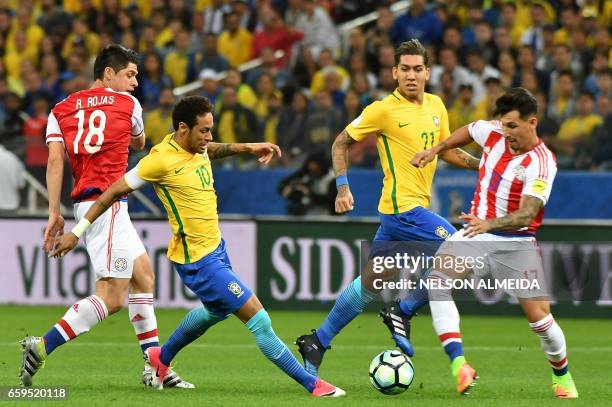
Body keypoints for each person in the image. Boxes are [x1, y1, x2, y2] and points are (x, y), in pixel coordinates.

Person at [51, 96, 345, 398]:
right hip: (199, 260)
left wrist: (249, 146)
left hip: (216, 248)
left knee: (214, 311)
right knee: (260, 320)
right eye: (203, 131)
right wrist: (78, 231)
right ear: (182, 128)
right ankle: (312, 384)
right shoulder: (158, 160)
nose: (209, 138)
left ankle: (159, 360)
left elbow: (212, 150)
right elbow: (111, 192)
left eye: (210, 130)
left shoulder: (198, 147)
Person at [295, 39, 480, 378]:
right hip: (402, 209)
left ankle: (317, 341)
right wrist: (342, 187)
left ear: (428, 72)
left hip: (401, 216)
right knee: (462, 252)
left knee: (370, 283)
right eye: (405, 69)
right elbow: (341, 142)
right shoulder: (383, 109)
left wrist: (483, 166)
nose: (411, 75)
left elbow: (447, 150)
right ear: (395, 72)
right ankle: (404, 310)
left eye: (418, 69)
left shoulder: (437, 105)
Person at [19, 44, 192, 389]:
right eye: (129, 75)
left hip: (89, 203)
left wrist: (54, 213)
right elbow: (140, 143)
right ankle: (41, 346)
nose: (135, 82)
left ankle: (154, 368)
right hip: (105, 202)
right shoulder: (129, 105)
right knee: (112, 296)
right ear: (108, 73)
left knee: (143, 277)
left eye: (137, 76)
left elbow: (56, 161)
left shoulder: (61, 109)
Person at [410, 87, 578, 398]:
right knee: (437, 281)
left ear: (532, 122)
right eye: (503, 126)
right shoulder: (494, 133)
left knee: (540, 321)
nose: (506, 133)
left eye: (513, 127)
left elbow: (527, 213)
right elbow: (466, 132)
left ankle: (562, 377)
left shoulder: (542, 163)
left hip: (516, 242)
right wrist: (436, 150)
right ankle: (459, 364)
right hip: (477, 233)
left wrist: (490, 223)